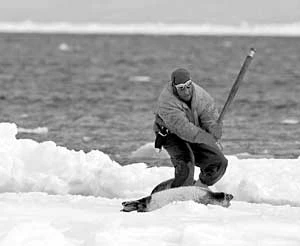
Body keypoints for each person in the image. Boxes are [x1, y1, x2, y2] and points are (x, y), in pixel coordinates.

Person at [153, 68, 228, 189]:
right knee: (186, 166)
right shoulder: (167, 102)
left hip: (196, 132)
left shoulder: (202, 96)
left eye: (188, 86)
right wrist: (207, 138)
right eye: (181, 88)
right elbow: (184, 129)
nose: (186, 91)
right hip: (171, 134)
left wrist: (213, 128)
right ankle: (174, 193)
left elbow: (209, 116)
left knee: (218, 162)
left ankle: (199, 188)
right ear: (174, 87)